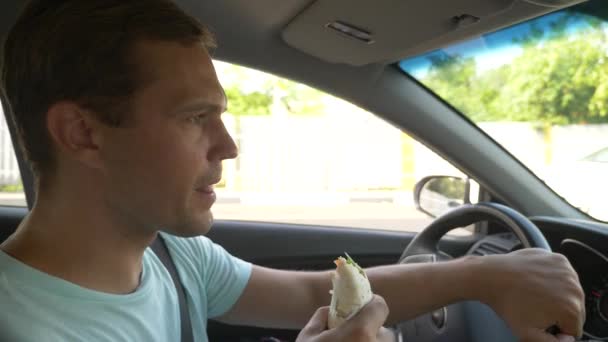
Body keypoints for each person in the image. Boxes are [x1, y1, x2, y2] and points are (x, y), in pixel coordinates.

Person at [0, 1, 584, 341]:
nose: (227, 146)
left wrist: (486, 277)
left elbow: (312, 292)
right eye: (194, 117)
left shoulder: (170, 256)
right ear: (83, 134)